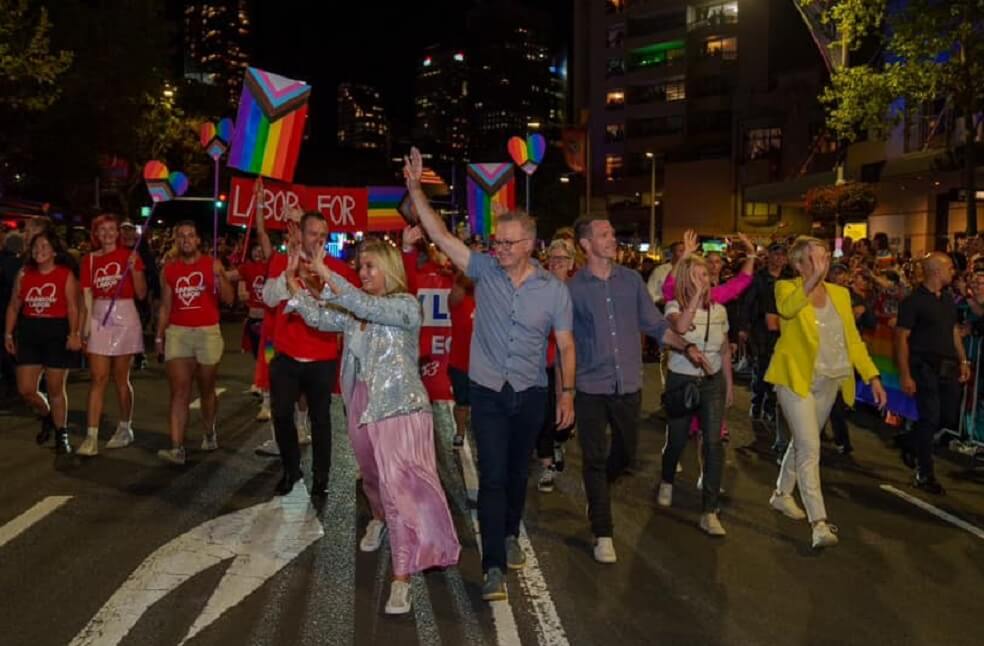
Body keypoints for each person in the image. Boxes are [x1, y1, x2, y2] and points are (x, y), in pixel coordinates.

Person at [404, 146, 575, 602]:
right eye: (496, 241)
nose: (497, 248)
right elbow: (439, 235)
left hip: (531, 393)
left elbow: (566, 345)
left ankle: (512, 530)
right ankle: (494, 562)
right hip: (488, 392)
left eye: (506, 242)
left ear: (529, 245)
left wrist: (568, 394)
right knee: (494, 475)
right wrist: (416, 189)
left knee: (517, 473)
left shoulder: (554, 290)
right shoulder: (482, 271)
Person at [284, 239, 460, 615]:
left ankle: (401, 578)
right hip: (362, 402)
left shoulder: (405, 306)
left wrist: (327, 274)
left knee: (400, 491)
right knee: (371, 479)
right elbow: (319, 317)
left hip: (400, 407)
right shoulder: (354, 310)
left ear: (390, 268)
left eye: (370, 267)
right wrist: (294, 283)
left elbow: (363, 305)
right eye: (360, 267)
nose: (362, 273)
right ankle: (378, 518)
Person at [570, 216, 708, 559]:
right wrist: (565, 391)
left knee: (626, 452)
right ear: (586, 244)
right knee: (594, 457)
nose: (612, 239)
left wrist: (686, 347)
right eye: (605, 234)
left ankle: (598, 489)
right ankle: (602, 530)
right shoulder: (572, 288)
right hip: (589, 384)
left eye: (612, 233)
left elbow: (656, 326)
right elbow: (564, 342)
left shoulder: (631, 281)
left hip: (627, 382)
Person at [765, 236, 887, 548]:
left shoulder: (841, 295)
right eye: (816, 258)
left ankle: (781, 494)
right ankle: (819, 522)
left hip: (830, 380)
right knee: (810, 448)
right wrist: (812, 282)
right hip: (796, 379)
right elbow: (788, 310)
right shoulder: (786, 288)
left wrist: (872, 376)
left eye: (824, 257)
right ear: (799, 263)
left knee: (804, 442)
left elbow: (853, 340)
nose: (823, 263)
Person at [261, 211, 358, 496]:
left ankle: (321, 478)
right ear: (300, 235)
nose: (318, 239)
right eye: (313, 233)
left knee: (321, 420)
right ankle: (291, 470)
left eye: (323, 235)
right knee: (280, 414)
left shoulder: (336, 268)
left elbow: (348, 304)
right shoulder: (282, 262)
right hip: (287, 356)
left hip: (322, 357)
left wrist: (314, 278)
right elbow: (267, 298)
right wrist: (288, 275)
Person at [657, 254, 730, 536]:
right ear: (687, 279)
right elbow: (681, 328)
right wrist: (696, 296)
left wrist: (728, 383)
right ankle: (666, 480)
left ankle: (709, 510)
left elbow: (724, 349)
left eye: (706, 274)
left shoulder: (720, 311)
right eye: (699, 275)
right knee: (676, 439)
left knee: (713, 443)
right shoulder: (674, 306)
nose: (706, 278)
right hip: (681, 380)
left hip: (712, 383)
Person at [155, 221, 234, 465]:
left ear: (198, 240)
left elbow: (230, 300)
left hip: (207, 332)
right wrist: (160, 335)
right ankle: (177, 447)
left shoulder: (212, 265)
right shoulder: (169, 269)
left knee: (206, 388)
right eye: (181, 236)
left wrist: (220, 278)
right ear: (176, 241)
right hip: (178, 332)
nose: (186, 240)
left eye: (191, 235)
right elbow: (166, 306)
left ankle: (209, 431)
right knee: (179, 391)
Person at [895, 253, 970, 494]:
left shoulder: (948, 300)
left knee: (947, 417)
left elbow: (953, 331)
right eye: (949, 267)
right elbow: (901, 338)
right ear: (936, 271)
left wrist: (963, 360)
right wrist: (905, 374)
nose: (953, 272)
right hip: (923, 365)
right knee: (929, 417)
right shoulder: (913, 301)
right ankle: (924, 473)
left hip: (947, 366)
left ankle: (909, 441)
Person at [4, 230, 82, 454]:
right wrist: (8, 334)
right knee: (26, 389)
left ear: (54, 251)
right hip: (29, 333)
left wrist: (74, 333)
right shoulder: (24, 274)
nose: (39, 251)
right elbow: (14, 306)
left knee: (56, 388)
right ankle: (47, 415)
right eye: (36, 247)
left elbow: (73, 307)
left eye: (45, 247)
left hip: (57, 333)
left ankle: (62, 433)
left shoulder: (65, 274)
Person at [76, 214, 148, 455]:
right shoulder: (88, 261)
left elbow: (141, 294)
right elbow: (85, 299)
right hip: (99, 315)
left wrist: (135, 270)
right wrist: (82, 331)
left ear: (118, 233)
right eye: (101, 230)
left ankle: (125, 426)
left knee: (120, 378)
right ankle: (91, 436)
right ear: (96, 234)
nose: (107, 233)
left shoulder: (130, 255)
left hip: (126, 316)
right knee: (98, 378)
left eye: (111, 229)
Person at [536, 238, 577, 493]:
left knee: (565, 420)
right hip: (544, 363)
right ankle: (547, 464)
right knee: (544, 416)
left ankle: (559, 441)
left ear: (571, 263)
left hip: (570, 363)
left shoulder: (577, 291)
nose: (556, 264)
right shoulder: (538, 287)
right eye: (552, 259)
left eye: (561, 260)